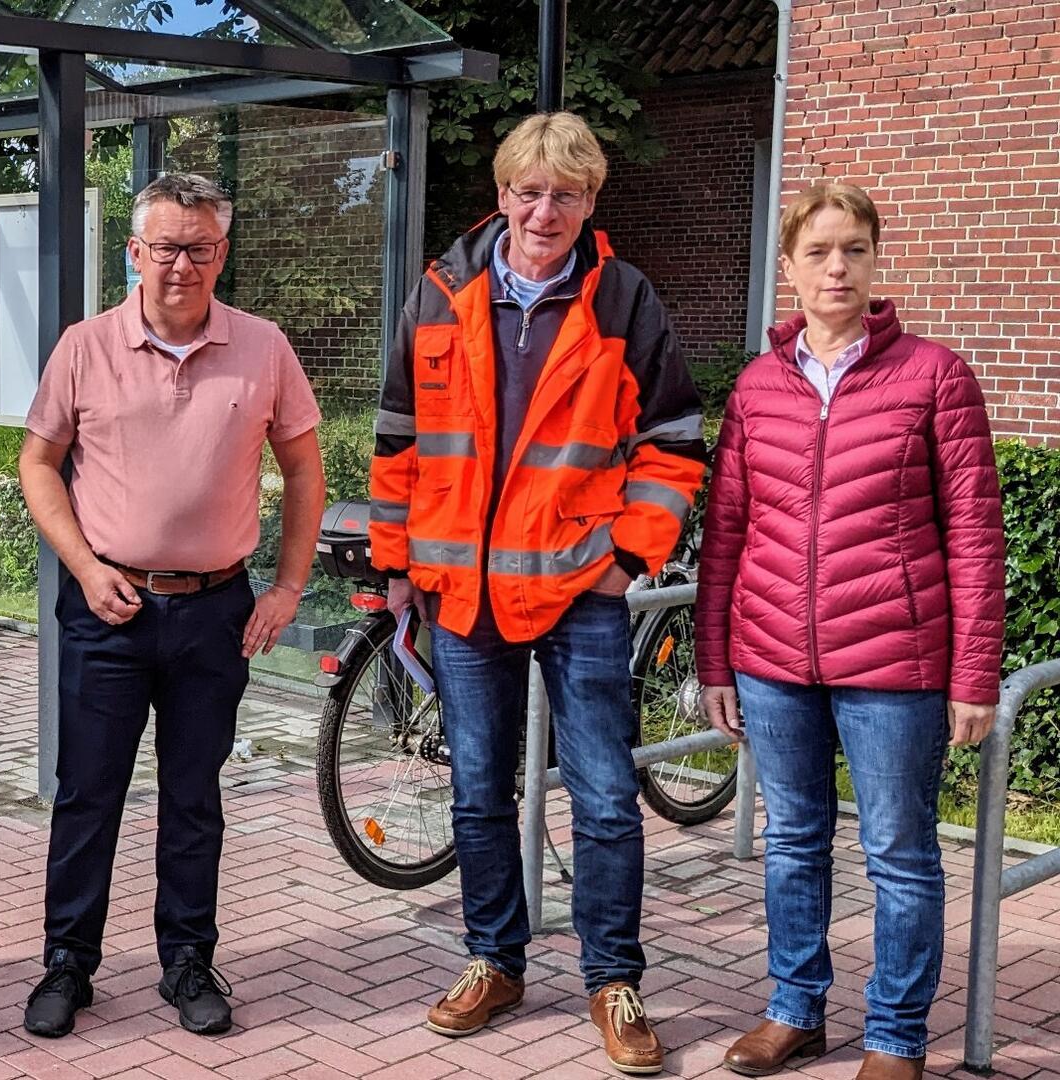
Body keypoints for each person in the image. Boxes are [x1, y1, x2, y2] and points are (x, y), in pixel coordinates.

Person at [367, 111, 707, 1076]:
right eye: (529, 190)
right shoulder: (440, 294)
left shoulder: (624, 299)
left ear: (591, 201)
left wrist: (625, 559)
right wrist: (395, 568)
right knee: (477, 794)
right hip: (463, 598)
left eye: (566, 193)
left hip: (580, 594)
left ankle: (613, 978)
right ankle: (494, 961)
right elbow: (397, 442)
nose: (544, 209)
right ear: (502, 192)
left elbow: (673, 444)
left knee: (603, 795)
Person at [696, 182, 1005, 1080]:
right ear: (787, 266)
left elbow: (977, 536)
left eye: (855, 250)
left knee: (899, 854)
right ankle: (795, 1011)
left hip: (896, 666)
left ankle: (895, 1037)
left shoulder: (935, 376)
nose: (839, 268)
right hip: (772, 660)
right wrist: (717, 658)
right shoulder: (757, 387)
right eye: (820, 251)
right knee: (793, 841)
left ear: (875, 262)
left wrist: (974, 674)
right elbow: (728, 533)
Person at [16, 172, 326, 1040]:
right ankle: (67, 963)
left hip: (214, 612)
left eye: (198, 248)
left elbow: (304, 470)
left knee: (194, 796)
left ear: (221, 254)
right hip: (107, 606)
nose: (180, 264)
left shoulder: (263, 347)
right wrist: (80, 565)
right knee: (88, 794)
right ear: (134, 254)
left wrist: (289, 587)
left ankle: (187, 959)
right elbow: (38, 464)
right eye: (164, 248)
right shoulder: (85, 345)